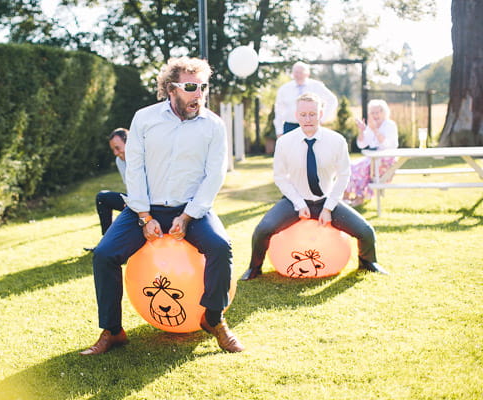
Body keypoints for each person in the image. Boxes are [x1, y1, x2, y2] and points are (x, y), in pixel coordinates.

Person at [80, 57, 244, 355]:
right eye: (192, 87)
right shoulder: (144, 118)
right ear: (171, 88)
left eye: (203, 87)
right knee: (104, 255)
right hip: (144, 208)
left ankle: (214, 319)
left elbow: (214, 174)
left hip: (191, 209)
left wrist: (189, 215)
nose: (199, 94)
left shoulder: (214, 125)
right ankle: (113, 331)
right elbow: (136, 169)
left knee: (221, 247)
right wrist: (143, 215)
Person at [240, 92, 388, 281]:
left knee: (366, 231)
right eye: (303, 115)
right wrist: (299, 203)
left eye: (312, 114)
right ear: (296, 115)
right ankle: (254, 268)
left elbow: (344, 175)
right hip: (295, 202)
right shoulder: (285, 142)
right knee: (263, 230)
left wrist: (328, 207)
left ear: (321, 113)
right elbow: (280, 177)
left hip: (326, 201)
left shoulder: (337, 141)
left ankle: (368, 262)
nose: (308, 119)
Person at [344, 99, 399, 206]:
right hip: (373, 159)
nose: (375, 115)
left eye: (377, 112)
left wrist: (375, 131)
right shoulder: (371, 126)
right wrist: (362, 130)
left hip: (386, 161)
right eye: (372, 113)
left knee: (361, 168)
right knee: (349, 165)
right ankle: (346, 196)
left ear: (384, 112)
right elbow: (362, 144)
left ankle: (360, 197)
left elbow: (388, 145)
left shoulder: (390, 125)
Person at [273, 61, 338, 137]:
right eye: (296, 72)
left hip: (311, 126)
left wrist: (321, 119)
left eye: (300, 72)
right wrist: (279, 131)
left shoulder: (316, 86)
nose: (298, 75)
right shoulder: (284, 89)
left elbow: (332, 100)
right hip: (290, 127)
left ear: (307, 73)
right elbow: (279, 110)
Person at [96, 128, 128, 235]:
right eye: (113, 149)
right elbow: (129, 186)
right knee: (102, 197)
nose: (115, 153)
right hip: (134, 199)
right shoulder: (120, 161)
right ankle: (106, 240)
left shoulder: (145, 156)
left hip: (153, 202)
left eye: (117, 148)